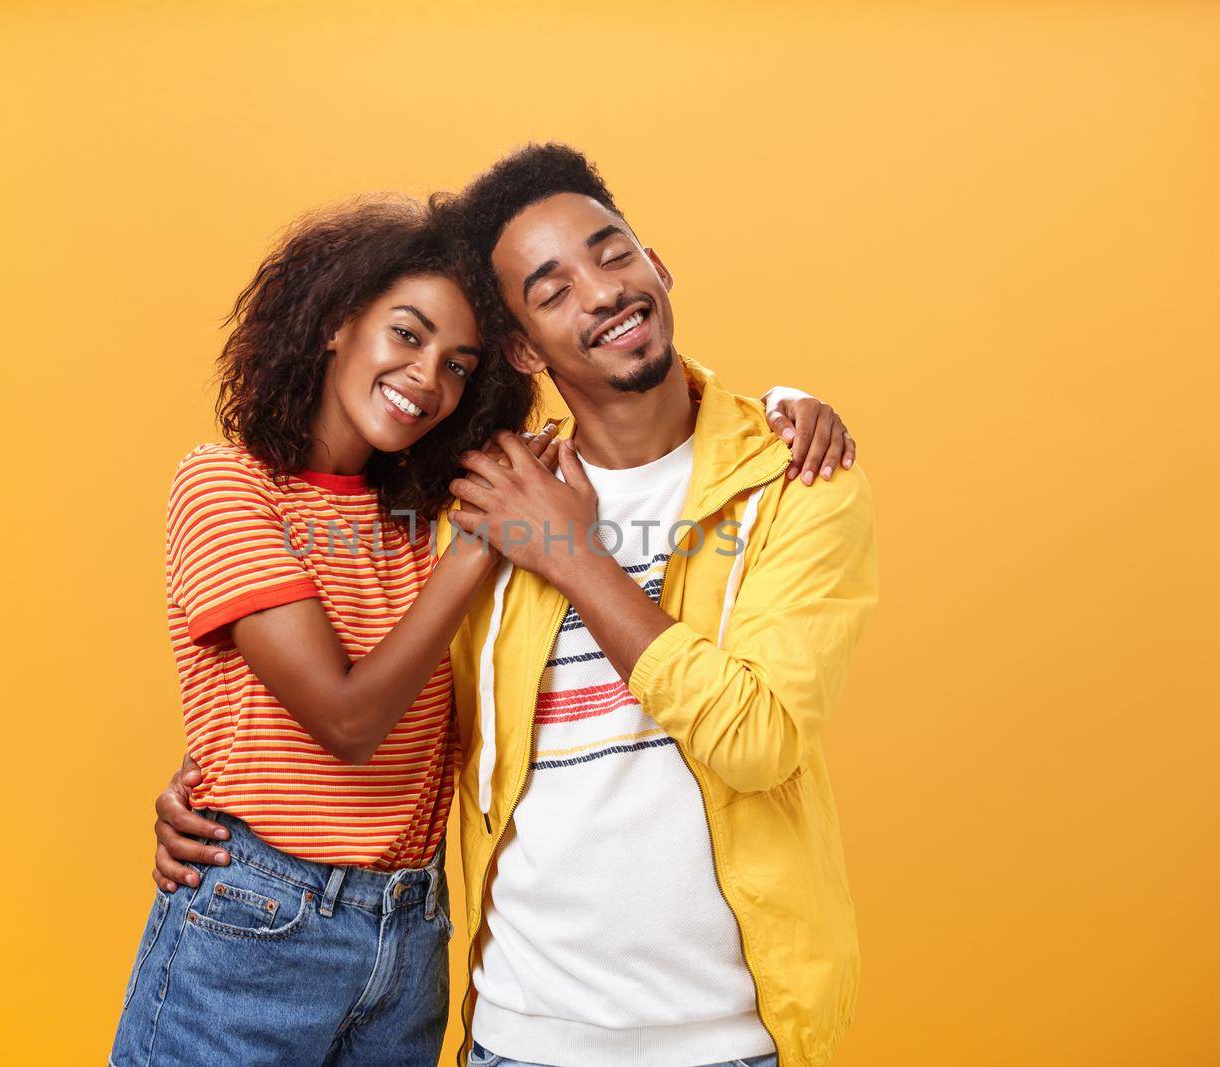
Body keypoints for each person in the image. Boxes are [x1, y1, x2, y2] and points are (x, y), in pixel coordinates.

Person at [130, 184, 859, 1066]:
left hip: (421, 946)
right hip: (294, 933)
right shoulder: (416, 506)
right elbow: (344, 714)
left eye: (460, 365)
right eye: (407, 335)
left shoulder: (439, 507)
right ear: (335, 321)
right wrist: (220, 795)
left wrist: (785, 405)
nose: (427, 378)